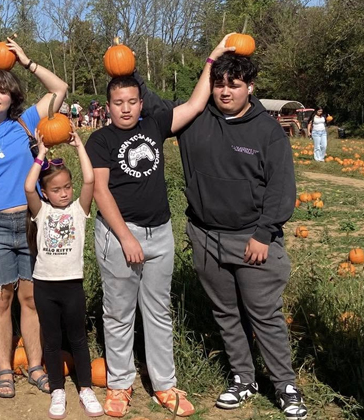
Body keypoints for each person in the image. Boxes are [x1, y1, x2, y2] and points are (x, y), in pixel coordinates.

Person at [136, 44, 307, 419]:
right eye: (219, 84)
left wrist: (264, 233)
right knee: (226, 312)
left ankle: (285, 385)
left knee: (265, 315)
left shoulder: (267, 132)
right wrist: (130, 71)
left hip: (251, 239)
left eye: (235, 84)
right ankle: (243, 378)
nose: (226, 91)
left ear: (250, 86)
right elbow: (150, 104)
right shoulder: (195, 119)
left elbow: (281, 188)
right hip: (205, 235)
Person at [85, 36, 231, 418]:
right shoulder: (99, 140)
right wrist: (127, 237)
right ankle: (119, 385)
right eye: (119, 103)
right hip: (120, 237)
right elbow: (100, 191)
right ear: (108, 106)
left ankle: (165, 385)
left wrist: (211, 60)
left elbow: (197, 104)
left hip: (160, 234)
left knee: (158, 310)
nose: (127, 108)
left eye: (133, 101)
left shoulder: (155, 124)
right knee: (118, 313)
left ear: (140, 102)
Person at [0, 39, 69, 398]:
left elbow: (60, 89)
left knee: (32, 299)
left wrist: (26, 61)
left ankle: (35, 366)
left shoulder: (26, 123)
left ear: (12, 98)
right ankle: (5, 369)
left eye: (2, 91)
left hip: (32, 224)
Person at [24, 132, 103, 419]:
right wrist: (41, 154)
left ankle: (85, 388)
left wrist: (79, 145)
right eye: (57, 189)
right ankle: (58, 389)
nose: (64, 192)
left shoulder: (79, 211)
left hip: (72, 285)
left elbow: (91, 180)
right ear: (46, 193)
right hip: (45, 286)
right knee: (52, 341)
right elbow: (28, 187)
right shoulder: (41, 212)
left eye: (67, 187)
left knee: (78, 339)